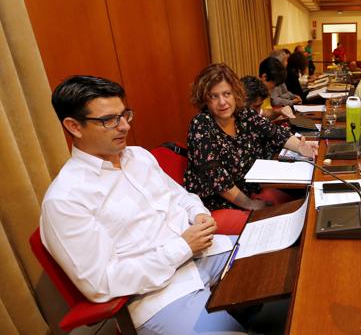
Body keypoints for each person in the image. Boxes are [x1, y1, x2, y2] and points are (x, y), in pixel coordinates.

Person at [40, 75, 245, 334]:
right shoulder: (66, 199)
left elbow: (182, 197)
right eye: (110, 120)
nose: (124, 126)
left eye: (125, 115)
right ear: (74, 126)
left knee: (283, 266)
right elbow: (100, 283)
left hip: (206, 254)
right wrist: (182, 247)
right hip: (160, 294)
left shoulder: (138, 156)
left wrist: (199, 214)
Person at [185, 64, 318, 234]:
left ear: (235, 93)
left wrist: (300, 147)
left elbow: (275, 133)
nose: (222, 102)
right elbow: (219, 182)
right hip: (217, 204)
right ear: (204, 99)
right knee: (283, 225)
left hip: (250, 191)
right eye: (214, 96)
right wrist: (250, 204)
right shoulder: (201, 125)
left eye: (227, 94)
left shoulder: (242, 113)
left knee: (302, 209)